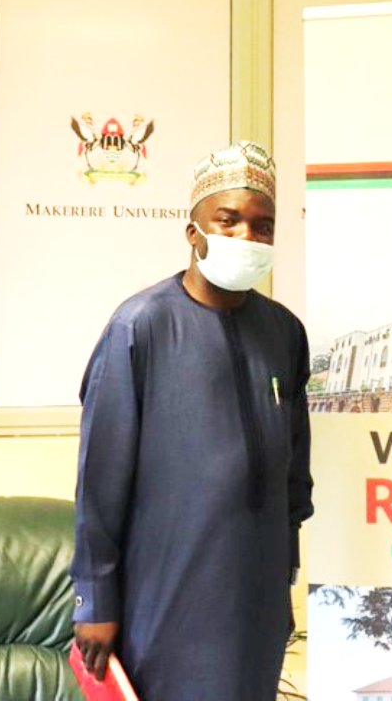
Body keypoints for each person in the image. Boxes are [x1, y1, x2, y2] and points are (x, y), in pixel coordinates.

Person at [72, 141, 314, 700]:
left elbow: (292, 474)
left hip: (259, 591)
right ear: (193, 231)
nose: (246, 239)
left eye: (263, 227)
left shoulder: (284, 333)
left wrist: (286, 573)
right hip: (169, 591)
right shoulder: (140, 327)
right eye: (228, 222)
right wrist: (96, 600)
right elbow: (99, 482)